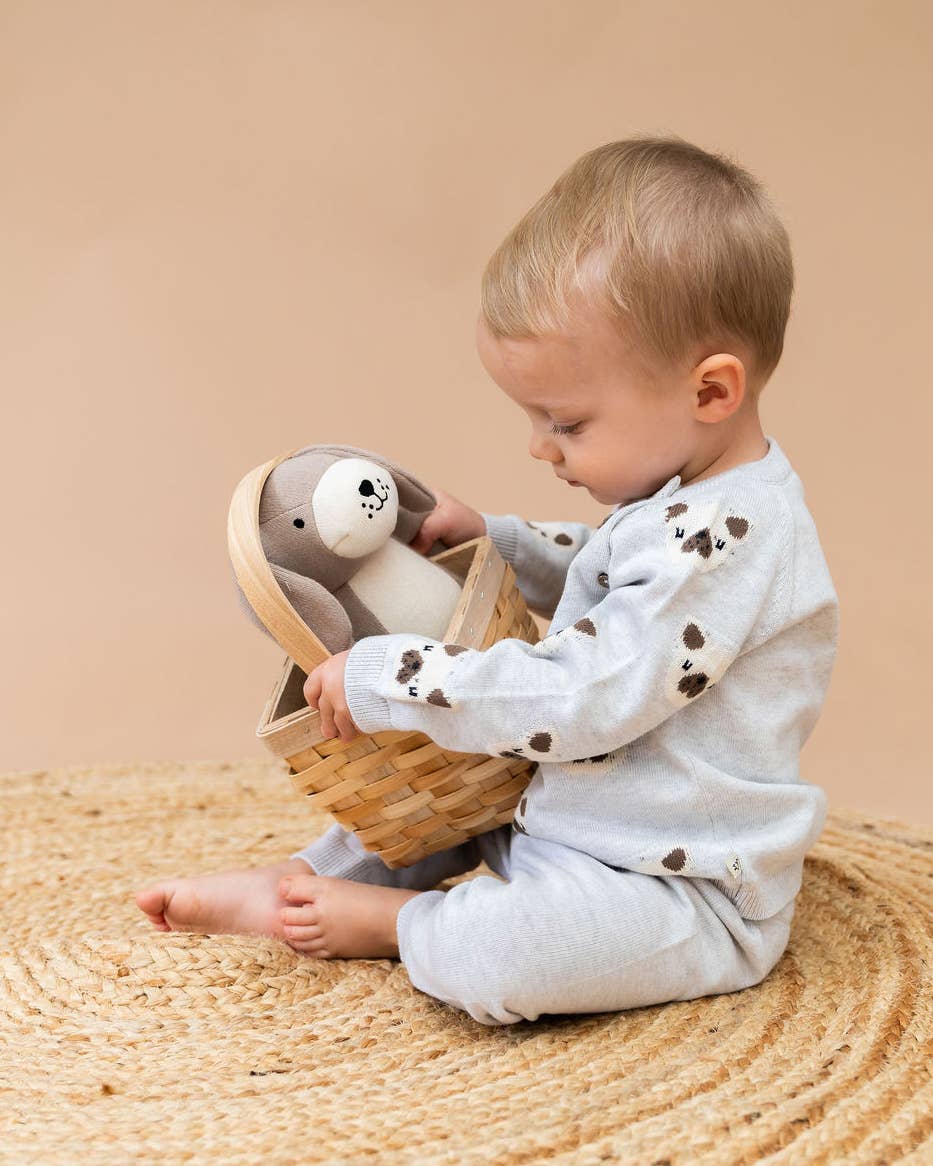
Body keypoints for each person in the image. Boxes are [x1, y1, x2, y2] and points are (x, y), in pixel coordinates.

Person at [136, 133, 839, 1027]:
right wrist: (500, 541)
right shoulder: (690, 496)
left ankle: (404, 925)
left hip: (678, 886)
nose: (541, 448)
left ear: (710, 392)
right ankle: (297, 886)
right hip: (569, 815)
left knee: (510, 955)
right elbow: (611, 566)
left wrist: (400, 676)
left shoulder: (744, 537)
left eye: (568, 422)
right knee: (440, 805)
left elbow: (591, 695)